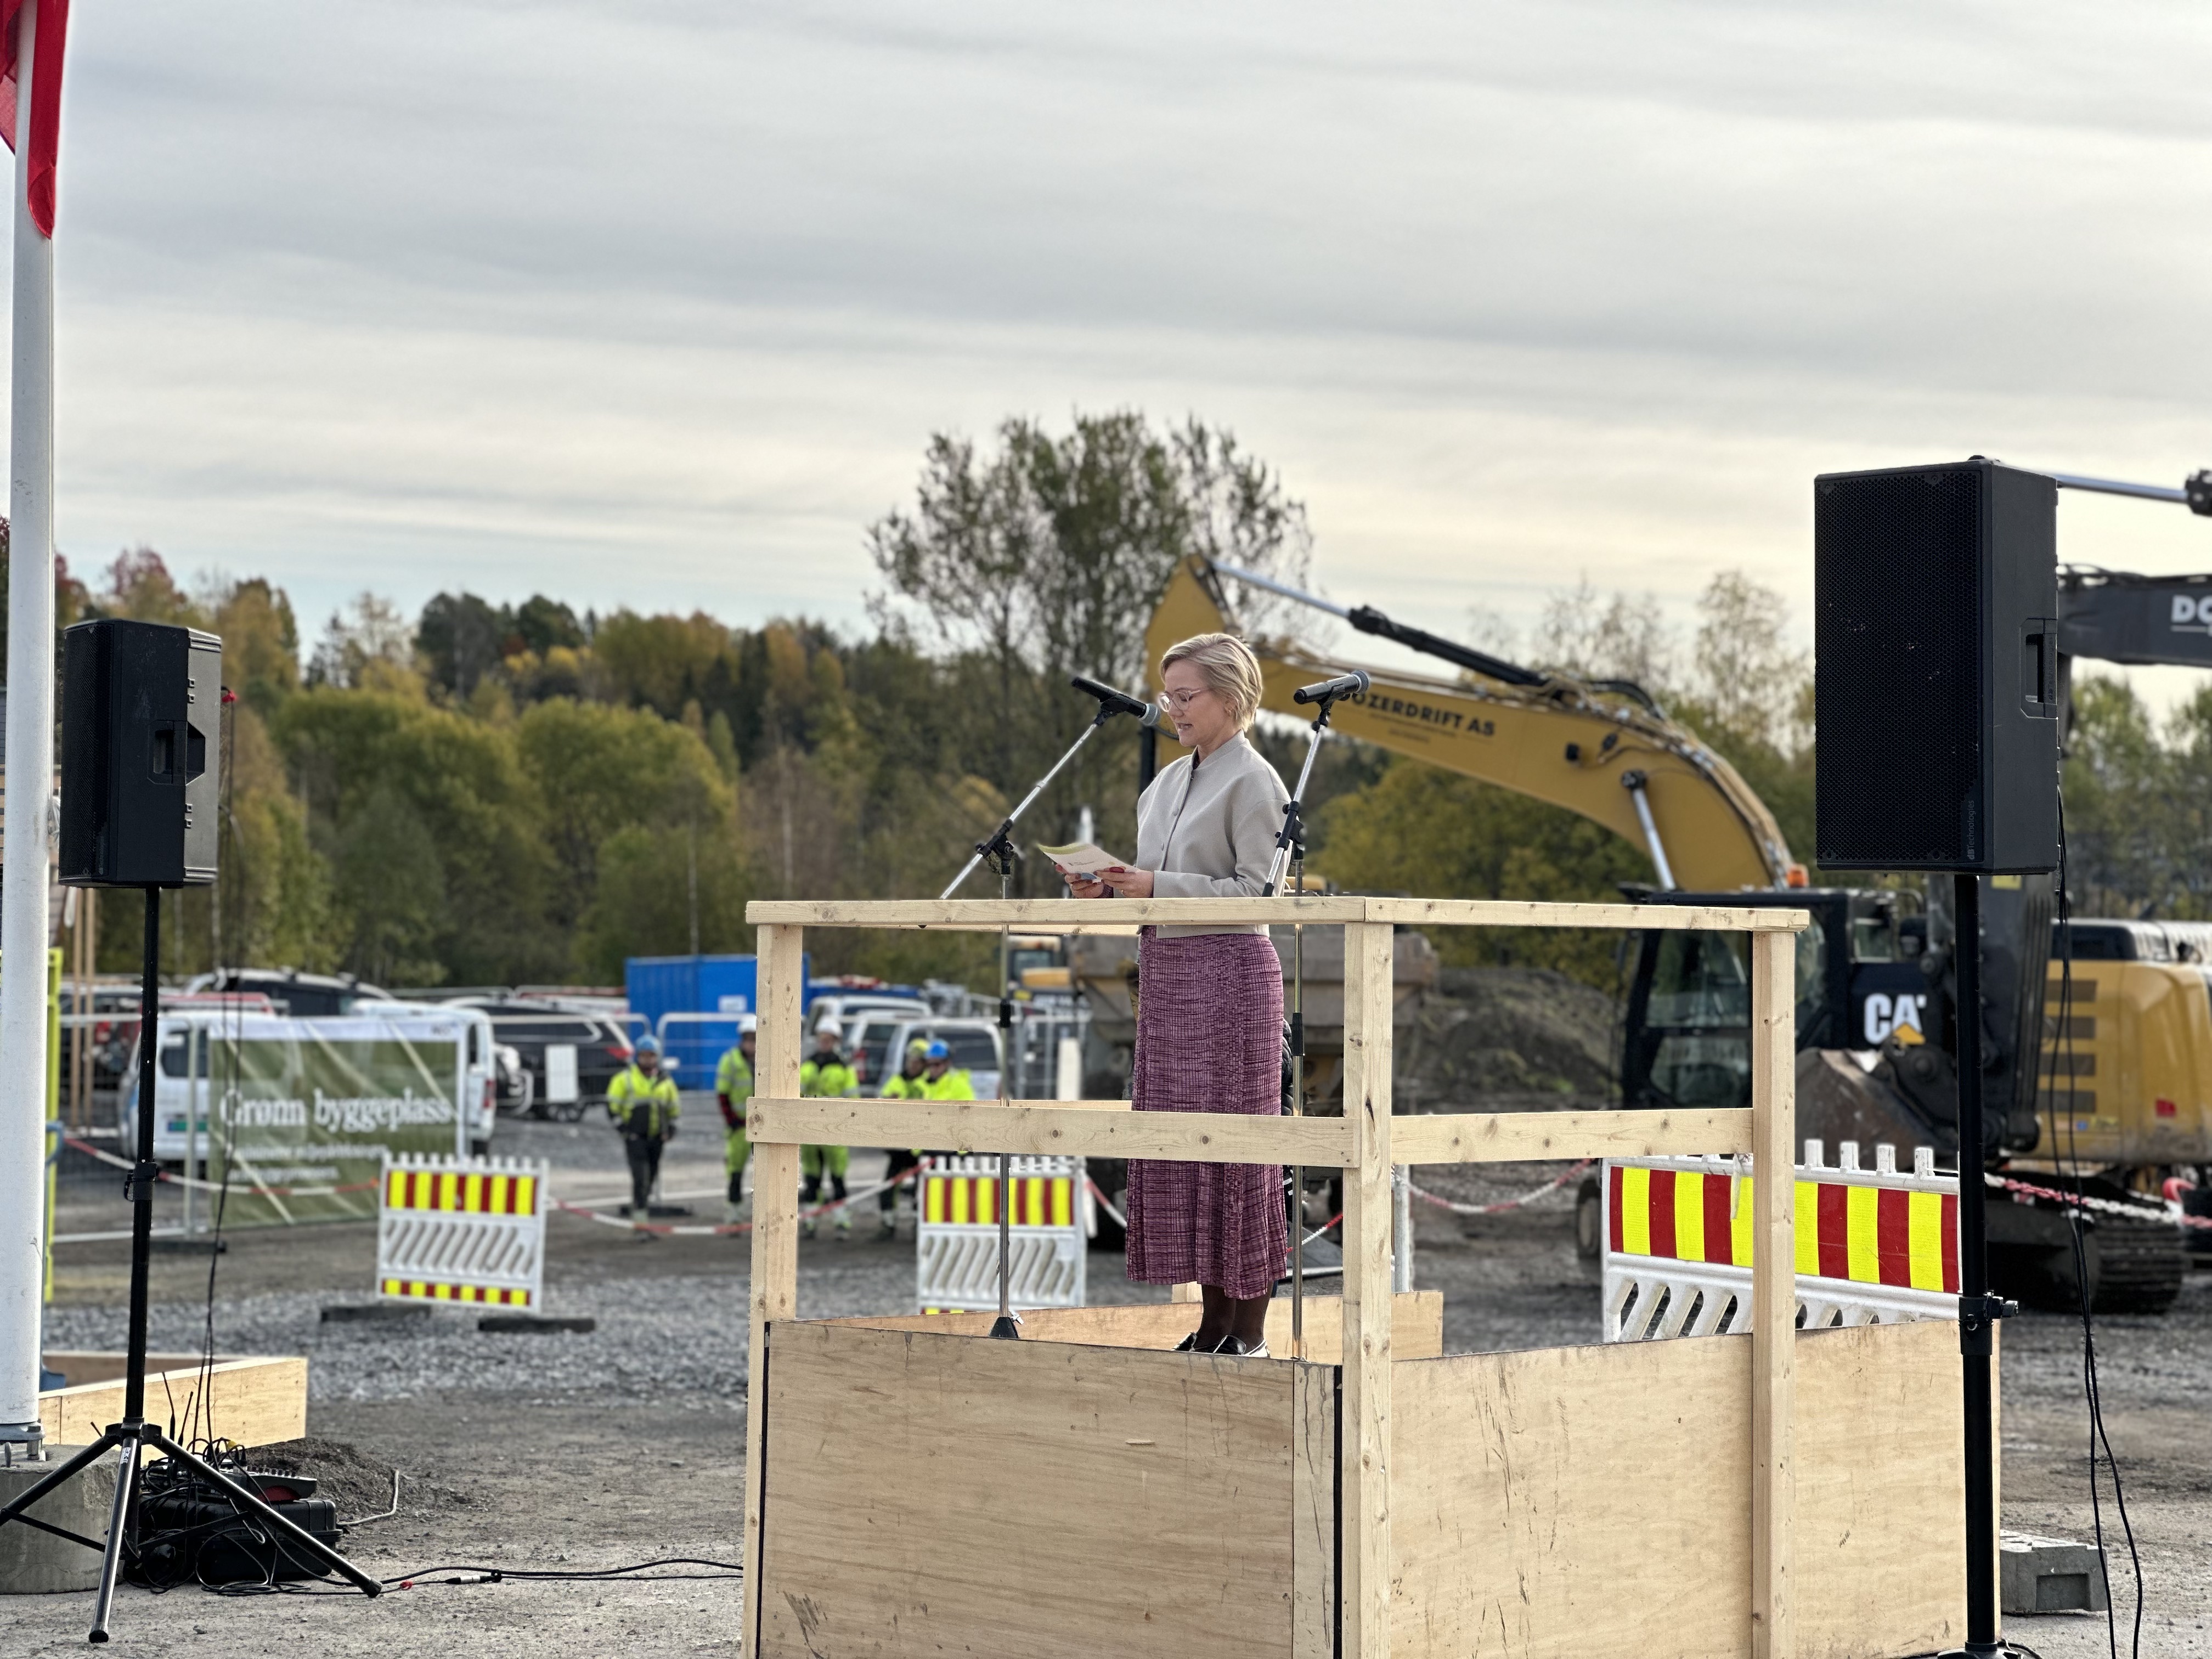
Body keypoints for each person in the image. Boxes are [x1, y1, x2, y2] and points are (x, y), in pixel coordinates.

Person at [1069, 630, 1289, 1355]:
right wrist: (1104, 887)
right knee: (1185, 1156)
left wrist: (1154, 885)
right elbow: (1150, 885)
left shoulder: (1257, 783)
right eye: (1169, 695)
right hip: (1167, 976)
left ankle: (1248, 1331)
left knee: (1239, 1158)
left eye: (1186, 696)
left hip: (1231, 976)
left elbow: (1257, 890)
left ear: (1231, 697)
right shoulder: (1163, 784)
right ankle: (1212, 1322)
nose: (1173, 708)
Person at [607, 1034, 681, 1242]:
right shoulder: (625, 1079)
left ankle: (641, 1217)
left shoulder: (665, 1081)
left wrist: (672, 1128)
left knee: (651, 1179)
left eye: (652, 1056)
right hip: (635, 1139)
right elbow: (612, 1106)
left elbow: (673, 1106)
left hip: (656, 1139)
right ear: (637, 1057)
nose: (647, 1060)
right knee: (641, 1179)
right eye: (644, 1056)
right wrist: (624, 1130)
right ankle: (641, 1225)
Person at [798, 1019, 858, 1237]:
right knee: (812, 1179)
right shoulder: (807, 1065)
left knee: (837, 1179)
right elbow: (797, 1094)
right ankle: (811, 1223)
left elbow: (853, 1099)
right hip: (811, 1131)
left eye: (828, 1038)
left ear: (835, 1041)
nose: (824, 1041)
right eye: (821, 1037)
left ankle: (842, 1223)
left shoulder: (844, 1068)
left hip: (835, 1132)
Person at [873, 1037, 930, 1242]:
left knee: (921, 1189)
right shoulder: (896, 1081)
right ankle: (888, 1225)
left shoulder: (927, 1084)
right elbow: (883, 1101)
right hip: (898, 1147)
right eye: (911, 1060)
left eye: (918, 1061)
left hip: (919, 1148)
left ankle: (918, 1226)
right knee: (888, 1186)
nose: (913, 1064)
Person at [716, 1016, 757, 1224]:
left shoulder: (767, 1062)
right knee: (735, 1170)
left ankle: (762, 1214)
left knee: (763, 1172)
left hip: (762, 1128)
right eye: (748, 1039)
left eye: (755, 1038)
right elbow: (723, 1094)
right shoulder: (730, 1061)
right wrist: (731, 1121)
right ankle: (733, 1212)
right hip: (739, 1127)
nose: (751, 1043)